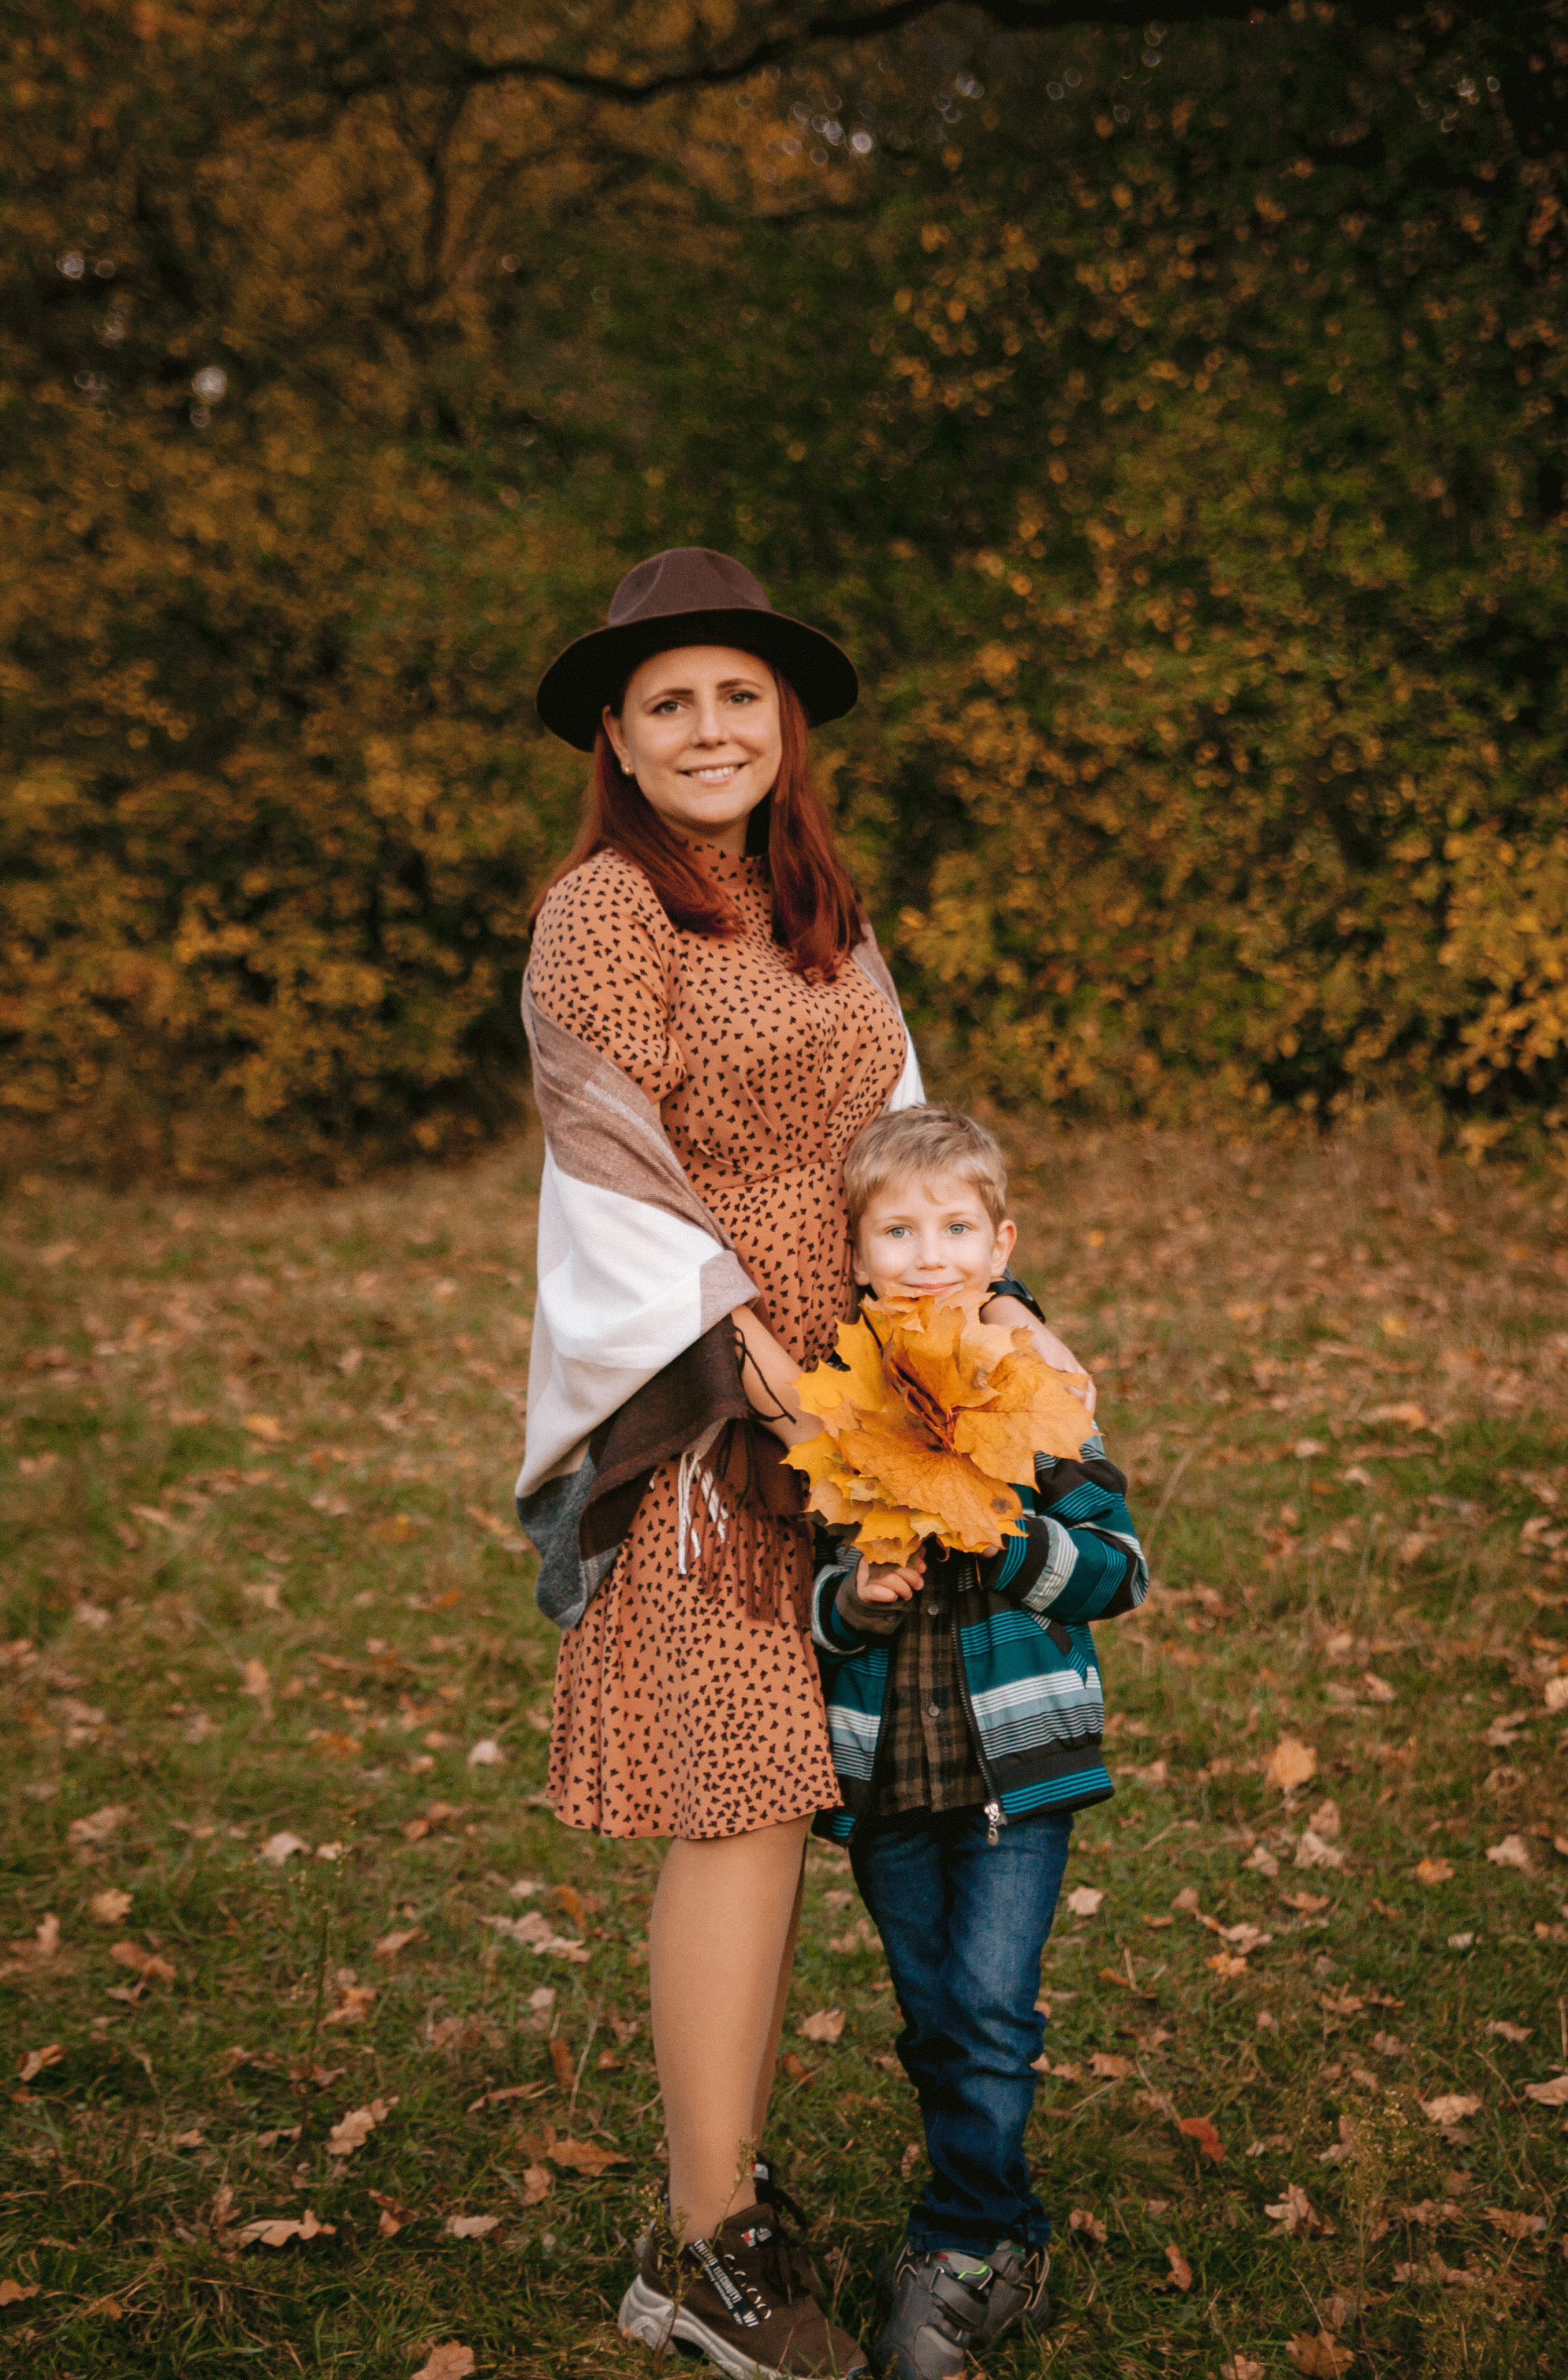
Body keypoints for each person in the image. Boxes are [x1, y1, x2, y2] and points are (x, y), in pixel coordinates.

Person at [517, 546, 923, 2379]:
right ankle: (697, 2249)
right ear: (615, 731)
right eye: (668, 700)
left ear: (788, 725)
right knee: (740, 1798)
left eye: (737, 697)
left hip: (857, 1391)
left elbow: (899, 1113)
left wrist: (956, 1321)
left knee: (798, 1798)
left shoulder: (804, 899)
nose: (706, 727)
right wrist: (750, 1362)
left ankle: (728, 2190)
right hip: (710, 1412)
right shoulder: (607, 912)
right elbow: (605, 1157)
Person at [805, 1104, 1149, 2380]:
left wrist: (1002, 1543)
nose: (927, 1251)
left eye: (954, 1226)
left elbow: (1118, 1570)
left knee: (991, 2011)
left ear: (1001, 1242)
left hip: (1016, 1770)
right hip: (889, 1771)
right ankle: (1000, 2231)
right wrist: (853, 1601)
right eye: (896, 1229)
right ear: (854, 1253)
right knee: (930, 2012)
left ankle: (958, 2244)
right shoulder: (836, 1398)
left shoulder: (1036, 1384)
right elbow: (805, 1595)